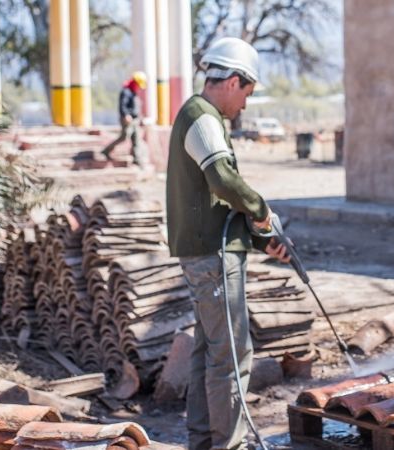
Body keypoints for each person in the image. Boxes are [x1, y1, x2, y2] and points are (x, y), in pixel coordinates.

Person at [165, 37, 290, 450]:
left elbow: (216, 202)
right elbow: (222, 179)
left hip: (208, 251)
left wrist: (259, 238)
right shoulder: (201, 116)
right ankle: (229, 443)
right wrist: (260, 208)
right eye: (248, 94)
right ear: (234, 80)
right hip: (211, 258)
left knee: (209, 352)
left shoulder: (202, 118)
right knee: (233, 355)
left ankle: (204, 441)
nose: (246, 107)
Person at [102, 71, 147, 165]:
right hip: (127, 120)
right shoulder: (126, 92)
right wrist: (126, 115)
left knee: (136, 139)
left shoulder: (133, 92)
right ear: (134, 82)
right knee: (124, 137)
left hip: (135, 120)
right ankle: (106, 150)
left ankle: (136, 159)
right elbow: (122, 106)